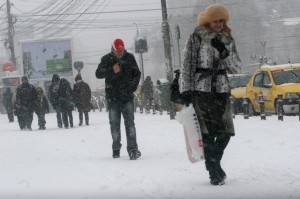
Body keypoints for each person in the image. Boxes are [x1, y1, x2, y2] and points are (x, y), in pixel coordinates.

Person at [179, 3, 241, 185]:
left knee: (226, 132)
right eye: (215, 20)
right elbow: (187, 65)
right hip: (201, 90)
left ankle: (214, 163)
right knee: (207, 133)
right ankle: (214, 172)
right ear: (208, 21)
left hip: (221, 89)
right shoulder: (196, 38)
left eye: (222, 20)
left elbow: (236, 67)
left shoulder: (227, 39)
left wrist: (224, 51)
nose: (219, 24)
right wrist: (186, 90)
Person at [95, 38, 141, 160]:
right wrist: (111, 70)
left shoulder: (129, 58)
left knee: (130, 124)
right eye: (118, 51)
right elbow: (98, 74)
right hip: (113, 98)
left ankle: (133, 149)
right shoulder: (106, 59)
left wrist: (132, 87)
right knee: (115, 125)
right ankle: (116, 148)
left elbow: (137, 73)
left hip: (127, 97)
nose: (120, 53)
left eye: (122, 50)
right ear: (113, 49)